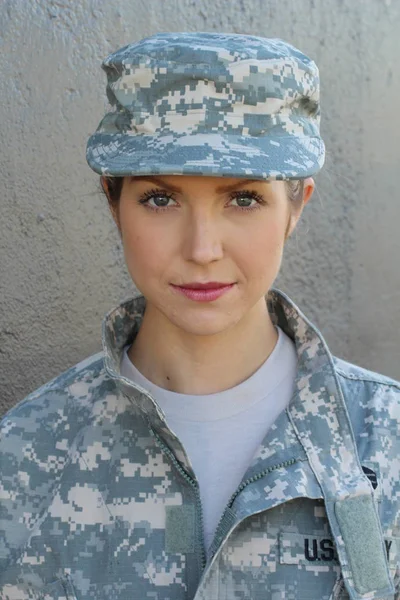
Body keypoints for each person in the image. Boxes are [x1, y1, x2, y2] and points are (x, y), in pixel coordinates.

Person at [0, 31, 398, 600]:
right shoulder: (22, 459)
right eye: (160, 199)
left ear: (297, 206)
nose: (202, 247)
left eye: (244, 199)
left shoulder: (388, 443)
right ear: (113, 202)